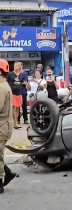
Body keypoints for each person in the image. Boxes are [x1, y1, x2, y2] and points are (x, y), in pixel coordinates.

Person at [0, 59, 18, 194]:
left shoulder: (1, 87)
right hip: (5, 125)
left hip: (2, 126)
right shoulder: (4, 84)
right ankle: (8, 173)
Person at [6, 62, 24, 129]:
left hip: (19, 93)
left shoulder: (21, 75)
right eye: (14, 65)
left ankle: (17, 121)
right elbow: (7, 81)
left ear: (19, 67)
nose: (15, 67)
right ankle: (15, 123)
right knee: (14, 108)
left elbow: (22, 82)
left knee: (18, 108)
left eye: (16, 66)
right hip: (12, 92)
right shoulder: (10, 74)